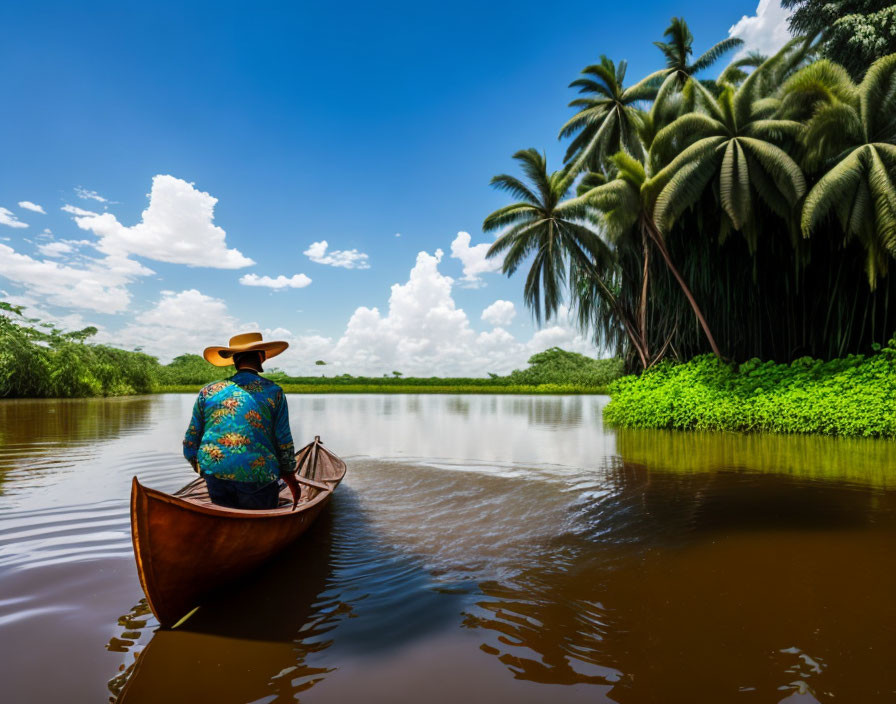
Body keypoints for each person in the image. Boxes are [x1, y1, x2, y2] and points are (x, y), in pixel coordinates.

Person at [183, 332, 300, 509]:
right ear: (261, 357)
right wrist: (291, 479)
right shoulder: (273, 392)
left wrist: (205, 470)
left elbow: (190, 442)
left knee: (225, 512)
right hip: (258, 476)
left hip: (215, 473)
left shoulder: (208, 391)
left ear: (235, 360)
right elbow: (284, 442)